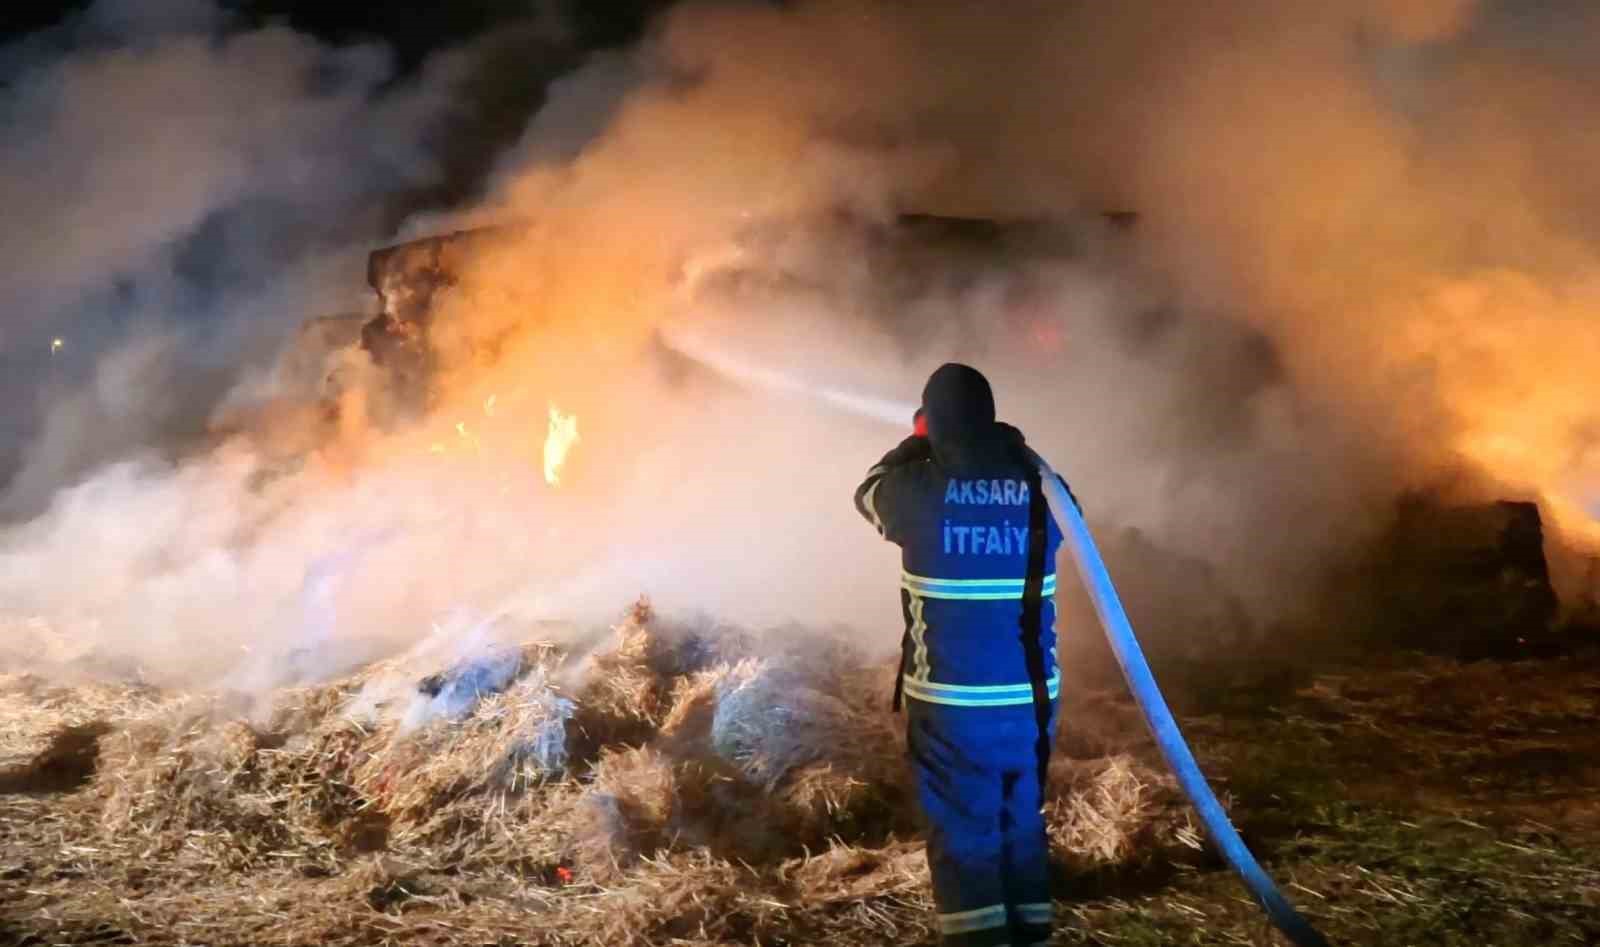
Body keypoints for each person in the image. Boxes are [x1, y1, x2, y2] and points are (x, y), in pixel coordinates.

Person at [854, 363, 1077, 947]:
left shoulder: (917, 493)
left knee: (965, 834)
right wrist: (1014, 450)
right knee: (1021, 823)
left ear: (934, 423)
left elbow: (868, 490)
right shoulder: (1040, 489)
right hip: (1030, 701)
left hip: (954, 706)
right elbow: (1069, 511)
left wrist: (914, 444)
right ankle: (1031, 935)